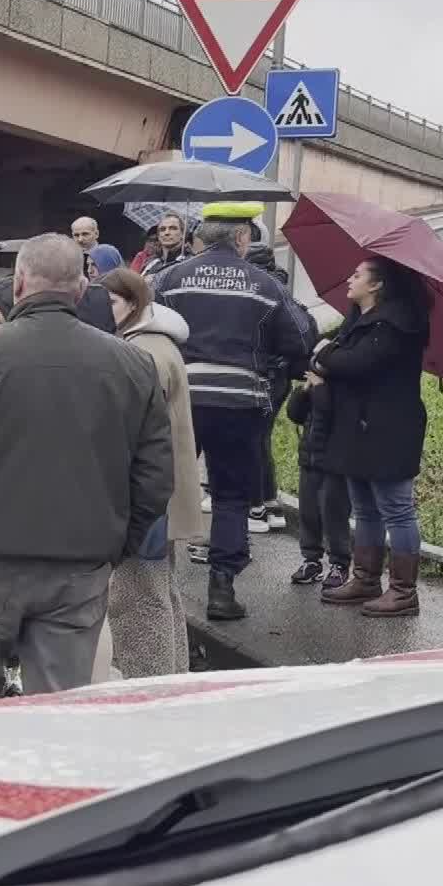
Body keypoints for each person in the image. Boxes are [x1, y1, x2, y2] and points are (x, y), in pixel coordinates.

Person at [0, 234, 172, 703]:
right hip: (80, 567)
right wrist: (115, 547)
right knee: (58, 708)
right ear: (81, 289)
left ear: (18, 284)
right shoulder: (133, 366)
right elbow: (154, 478)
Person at [152, 201, 309, 622]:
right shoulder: (264, 284)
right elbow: (298, 337)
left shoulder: (170, 276)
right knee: (231, 496)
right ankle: (222, 587)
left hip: (180, 398)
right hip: (241, 402)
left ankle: (153, 584)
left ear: (203, 236)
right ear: (242, 238)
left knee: (161, 487)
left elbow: (142, 322)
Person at [100, 269, 203, 679]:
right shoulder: (154, 345)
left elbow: (135, 430)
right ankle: (172, 675)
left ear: (135, 304)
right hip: (160, 495)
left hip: (146, 497)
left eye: (111, 302)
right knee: (161, 592)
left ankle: (151, 684)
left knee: (138, 598)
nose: (104, 310)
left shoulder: (144, 353)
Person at [317, 257, 432, 617]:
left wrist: (324, 352)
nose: (349, 279)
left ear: (377, 284)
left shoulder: (398, 324)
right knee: (365, 507)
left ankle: (403, 591)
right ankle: (366, 579)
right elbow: (339, 361)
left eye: (357, 275)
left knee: (396, 509)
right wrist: (329, 356)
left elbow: (354, 364)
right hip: (357, 426)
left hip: (390, 428)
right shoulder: (360, 322)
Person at [245, 240, 306, 534]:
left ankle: (257, 507)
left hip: (263, 374)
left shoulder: (261, 293)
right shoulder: (281, 291)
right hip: (279, 377)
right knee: (260, 438)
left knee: (253, 439)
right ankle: (271, 504)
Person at [285, 346, 352, 593]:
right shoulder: (313, 388)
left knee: (333, 513)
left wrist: (322, 389)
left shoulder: (339, 389)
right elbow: (295, 414)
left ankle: (340, 563)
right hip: (309, 457)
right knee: (308, 511)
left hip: (333, 461)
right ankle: (311, 559)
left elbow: (329, 412)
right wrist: (304, 391)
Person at [139, 213, 190, 279]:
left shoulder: (191, 261)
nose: (167, 233)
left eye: (173, 228)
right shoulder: (151, 263)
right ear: (159, 235)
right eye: (162, 229)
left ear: (183, 234)